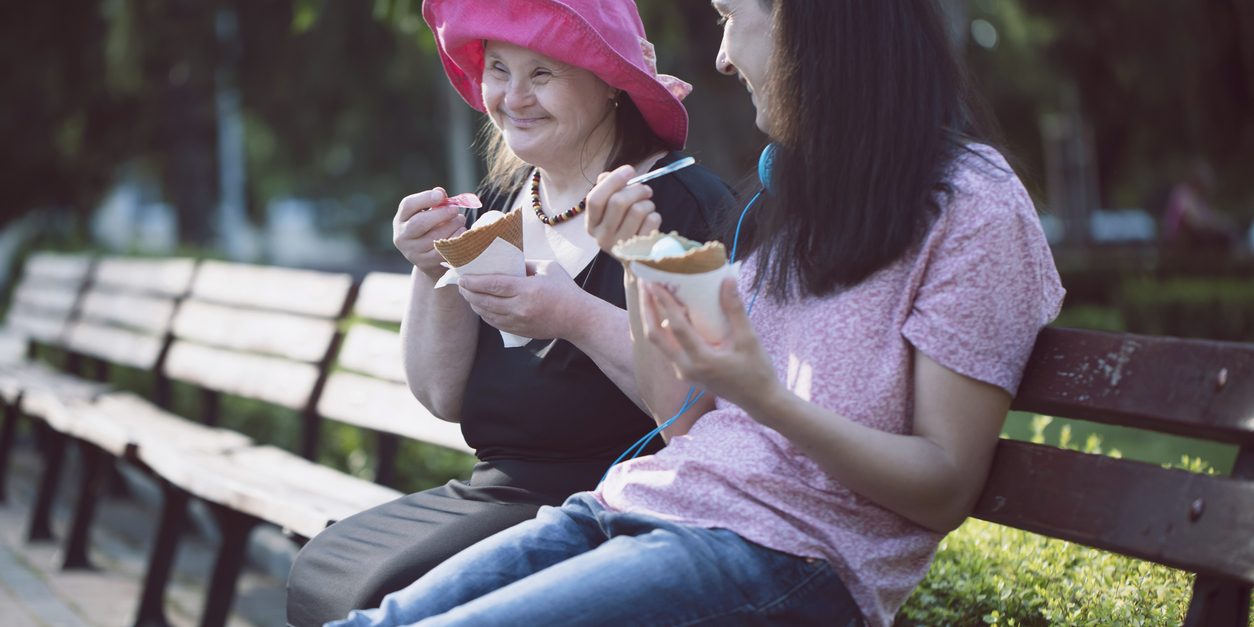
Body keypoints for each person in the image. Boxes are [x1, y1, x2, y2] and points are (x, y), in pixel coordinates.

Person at [327, 1, 1065, 626]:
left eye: (730, 18)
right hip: (637, 506)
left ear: (806, 25)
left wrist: (763, 394)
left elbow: (944, 486)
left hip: (782, 553)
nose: (719, 57)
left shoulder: (976, 207)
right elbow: (683, 421)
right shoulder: (799, 199)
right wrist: (640, 260)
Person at [284, 1, 733, 624]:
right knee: (323, 569)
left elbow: (706, 413)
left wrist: (571, 315)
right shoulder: (500, 201)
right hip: (493, 491)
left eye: (542, 74)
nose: (513, 97)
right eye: (499, 70)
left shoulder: (686, 207)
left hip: (609, 510)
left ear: (611, 82)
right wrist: (429, 265)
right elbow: (442, 394)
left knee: (376, 596)